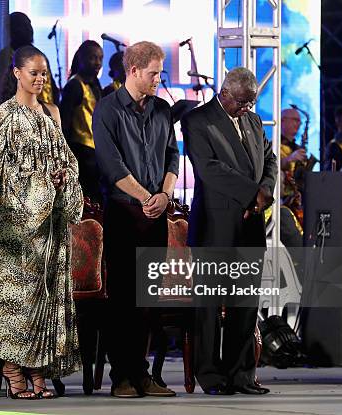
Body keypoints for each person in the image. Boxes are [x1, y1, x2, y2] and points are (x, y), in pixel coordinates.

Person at [0, 45, 84, 400]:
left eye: (44, 74)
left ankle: (38, 367)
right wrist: (41, 181)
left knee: (46, 293)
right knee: (18, 296)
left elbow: (68, 159)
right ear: (17, 74)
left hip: (51, 224)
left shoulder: (52, 113)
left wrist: (62, 177)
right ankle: (13, 368)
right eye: (34, 73)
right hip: (18, 227)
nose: (40, 79)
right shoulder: (4, 116)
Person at [181, 67, 277, 395]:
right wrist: (253, 194)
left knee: (245, 306)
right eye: (241, 102)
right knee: (209, 308)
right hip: (215, 229)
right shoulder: (197, 120)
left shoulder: (252, 120)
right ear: (224, 92)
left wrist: (264, 192)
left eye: (250, 103)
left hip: (250, 227)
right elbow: (209, 169)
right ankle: (211, 375)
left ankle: (242, 375)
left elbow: (270, 160)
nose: (246, 108)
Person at [92, 41, 179, 398]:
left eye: (159, 72)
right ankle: (122, 376)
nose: (159, 79)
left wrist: (165, 195)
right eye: (154, 73)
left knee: (150, 298)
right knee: (124, 297)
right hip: (124, 214)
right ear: (133, 71)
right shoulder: (107, 110)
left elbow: (173, 155)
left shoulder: (161, 109)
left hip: (155, 213)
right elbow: (112, 166)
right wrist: (146, 197)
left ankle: (143, 374)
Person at [59, 40, 104, 203]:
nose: (97, 63)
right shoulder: (74, 86)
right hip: (81, 152)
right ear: (81, 59)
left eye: (100, 58)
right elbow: (64, 123)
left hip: (95, 152)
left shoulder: (94, 85)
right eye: (93, 58)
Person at [0, 12, 60, 105]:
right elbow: (2, 90)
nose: (29, 29)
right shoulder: (4, 58)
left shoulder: (40, 56)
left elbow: (53, 90)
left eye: (29, 25)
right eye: (24, 25)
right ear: (13, 30)